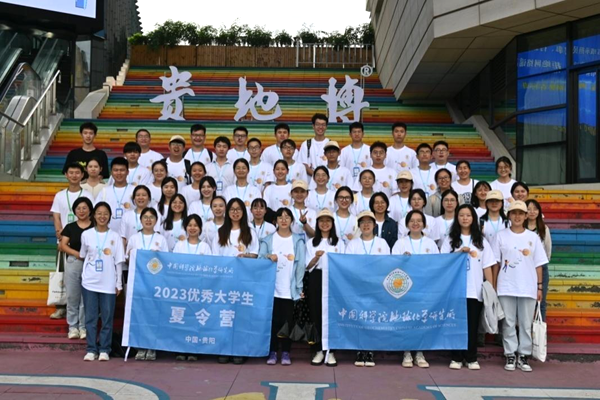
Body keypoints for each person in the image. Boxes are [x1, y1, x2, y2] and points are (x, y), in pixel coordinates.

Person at [492, 201, 548, 372]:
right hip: (506, 285)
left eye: (520, 213)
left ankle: (523, 355)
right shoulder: (500, 236)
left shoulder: (533, 237)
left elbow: (539, 264)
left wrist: (539, 287)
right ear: (509, 215)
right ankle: (510, 353)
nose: (517, 216)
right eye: (514, 213)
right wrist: (494, 285)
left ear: (525, 216)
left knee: (525, 323)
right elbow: (496, 263)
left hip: (528, 286)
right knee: (508, 322)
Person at [441, 204, 495, 370]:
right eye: (461, 215)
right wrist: (459, 253)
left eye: (468, 215)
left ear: (473, 219)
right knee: (455, 324)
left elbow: (487, 266)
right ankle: (456, 357)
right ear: (457, 218)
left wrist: (491, 289)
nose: (465, 218)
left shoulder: (481, 241)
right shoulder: (450, 240)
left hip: (474, 290)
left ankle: (471, 357)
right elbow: (443, 263)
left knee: (472, 326)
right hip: (455, 290)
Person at [211, 198, 259, 364]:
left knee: (241, 316)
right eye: (232, 209)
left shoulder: (250, 232)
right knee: (224, 315)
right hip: (225, 281)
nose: (235, 212)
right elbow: (215, 257)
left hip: (244, 280)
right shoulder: (221, 232)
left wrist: (246, 256)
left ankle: (239, 350)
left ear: (243, 212)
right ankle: (224, 349)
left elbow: (256, 254)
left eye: (238, 209)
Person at [392, 209, 438, 369]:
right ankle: (406, 351)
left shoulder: (430, 243)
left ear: (424, 224)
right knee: (407, 319)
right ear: (407, 224)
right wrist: (402, 260)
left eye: (419, 220)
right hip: (405, 289)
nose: (415, 223)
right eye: (412, 221)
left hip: (425, 288)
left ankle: (419, 352)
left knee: (422, 320)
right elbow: (392, 265)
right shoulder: (400, 243)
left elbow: (437, 265)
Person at [260, 207, 306, 366]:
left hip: (289, 289)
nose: (284, 220)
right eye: (280, 217)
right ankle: (272, 351)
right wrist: (268, 256)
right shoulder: (268, 240)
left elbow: (301, 266)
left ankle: (286, 352)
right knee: (272, 322)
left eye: (287, 217)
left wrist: (299, 287)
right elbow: (260, 260)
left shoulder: (298, 241)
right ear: (276, 221)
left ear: (292, 220)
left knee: (287, 322)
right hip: (271, 289)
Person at [80, 202, 125, 361]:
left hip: (108, 283)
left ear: (110, 216)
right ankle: (91, 349)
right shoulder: (86, 234)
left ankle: (105, 349)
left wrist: (118, 283)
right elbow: (84, 255)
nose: (102, 216)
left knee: (107, 318)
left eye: (105, 213)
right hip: (89, 282)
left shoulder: (115, 236)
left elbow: (118, 261)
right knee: (91, 318)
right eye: (99, 213)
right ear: (94, 215)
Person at [346, 211, 390, 367]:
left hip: (376, 287)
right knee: (359, 317)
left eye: (369, 222)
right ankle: (359, 350)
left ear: (374, 225)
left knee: (372, 318)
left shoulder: (382, 243)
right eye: (363, 222)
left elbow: (387, 264)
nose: (366, 225)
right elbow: (348, 265)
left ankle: (370, 350)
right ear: (359, 226)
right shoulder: (353, 244)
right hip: (357, 287)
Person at [125, 207, 168, 362]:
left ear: (156, 221)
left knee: (153, 314)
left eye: (151, 217)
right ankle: (140, 346)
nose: (148, 220)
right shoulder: (134, 238)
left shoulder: (161, 239)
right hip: (138, 282)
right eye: (145, 217)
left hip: (155, 284)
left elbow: (166, 261)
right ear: (140, 220)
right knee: (138, 314)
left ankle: (152, 346)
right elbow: (128, 259)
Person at [306, 208, 345, 367]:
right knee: (316, 313)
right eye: (321, 221)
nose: (324, 223)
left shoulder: (339, 242)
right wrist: (316, 258)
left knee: (333, 313)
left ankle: (331, 351)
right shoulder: (311, 243)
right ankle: (318, 350)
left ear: (332, 224)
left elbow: (343, 264)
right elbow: (307, 267)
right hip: (316, 278)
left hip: (334, 279)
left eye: (328, 220)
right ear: (317, 224)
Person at [58, 197, 94, 340]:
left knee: (86, 298)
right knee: (72, 296)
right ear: (74, 211)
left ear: (90, 210)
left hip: (91, 264)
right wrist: (76, 254)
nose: (81, 211)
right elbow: (62, 245)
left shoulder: (95, 226)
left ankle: (83, 327)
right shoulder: (70, 227)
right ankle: (73, 327)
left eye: (84, 208)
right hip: (74, 262)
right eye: (78, 208)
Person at [51, 162, 94, 242]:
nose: (74, 175)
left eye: (77, 173)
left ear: (82, 175)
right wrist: (59, 231)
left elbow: (91, 216)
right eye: (71, 173)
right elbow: (56, 217)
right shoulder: (59, 195)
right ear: (66, 175)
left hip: (83, 238)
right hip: (64, 237)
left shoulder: (88, 195)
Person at [526, 199, 552, 321]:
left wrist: (540, 262)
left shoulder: (544, 228)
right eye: (529, 209)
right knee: (526, 300)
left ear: (539, 211)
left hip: (540, 268)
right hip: (524, 268)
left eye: (535, 209)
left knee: (541, 301)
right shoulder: (520, 228)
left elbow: (548, 250)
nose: (532, 212)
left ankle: (539, 330)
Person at [96, 157, 135, 232]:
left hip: (131, 232)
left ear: (127, 172)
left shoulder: (135, 191)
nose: (119, 173)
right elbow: (97, 211)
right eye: (116, 170)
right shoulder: (104, 191)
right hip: (109, 232)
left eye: (122, 170)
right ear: (111, 172)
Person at [480, 190, 509, 275]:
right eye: (491, 201)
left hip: (503, 261)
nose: (494, 203)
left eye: (497, 201)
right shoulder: (480, 221)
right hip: (485, 261)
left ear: (502, 203)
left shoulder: (508, 222)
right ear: (486, 203)